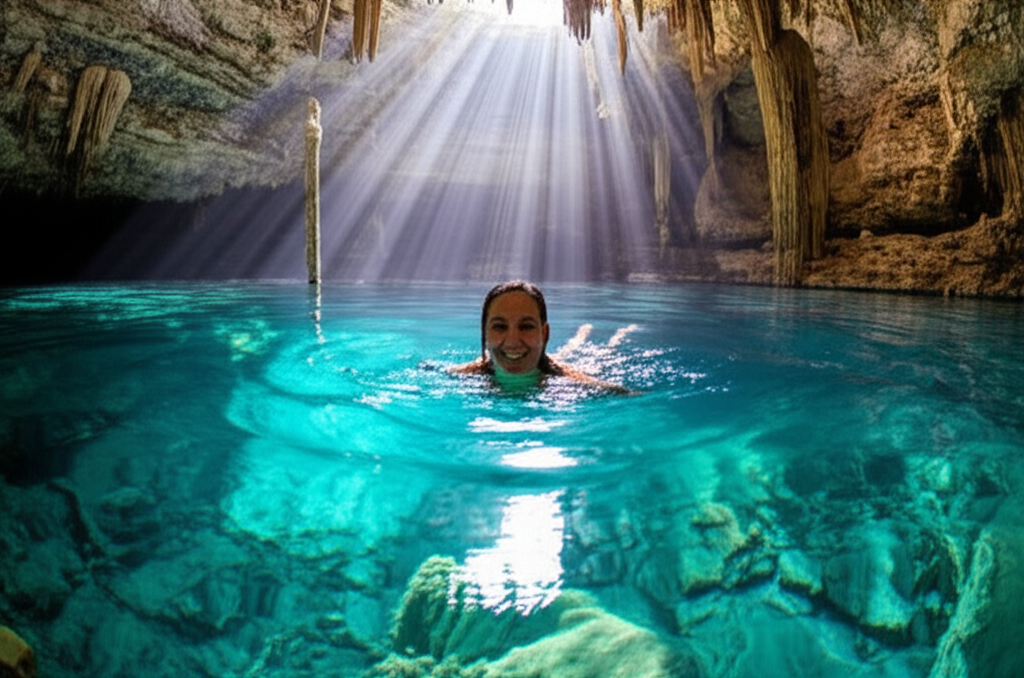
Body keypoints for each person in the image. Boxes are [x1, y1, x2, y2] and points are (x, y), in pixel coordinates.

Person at [451, 280, 630, 393]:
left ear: (544, 334)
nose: (513, 341)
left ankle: (618, 334)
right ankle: (583, 333)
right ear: (484, 332)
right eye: (499, 327)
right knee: (566, 351)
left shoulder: (568, 380)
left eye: (526, 326)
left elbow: (618, 392)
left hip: (551, 364)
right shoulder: (468, 372)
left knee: (601, 354)